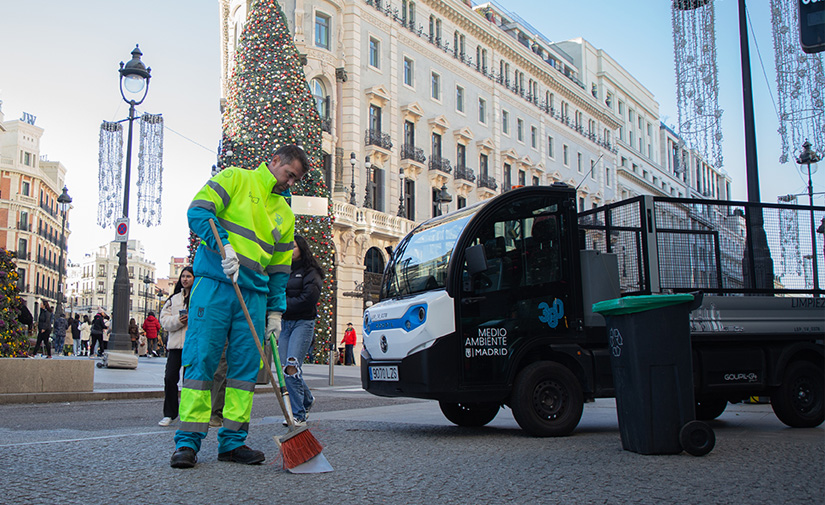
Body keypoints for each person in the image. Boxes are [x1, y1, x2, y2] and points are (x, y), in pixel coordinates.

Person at [170, 144, 309, 469]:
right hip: (216, 285)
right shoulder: (234, 179)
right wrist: (224, 245)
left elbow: (278, 269)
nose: (290, 184)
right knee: (201, 362)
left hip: (255, 296)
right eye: (289, 175)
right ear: (274, 161)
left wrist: (275, 311)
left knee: (245, 372)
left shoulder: (285, 214)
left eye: (295, 180)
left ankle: (232, 441)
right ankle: (187, 443)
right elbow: (198, 211)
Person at [277, 235, 324, 426]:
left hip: (303, 323)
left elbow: (309, 299)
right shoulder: (283, 271)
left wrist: (282, 305)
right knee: (285, 370)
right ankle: (307, 399)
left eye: (294, 247)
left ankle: (298, 415)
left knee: (292, 367)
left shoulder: (312, 272)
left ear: (302, 249)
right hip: (285, 324)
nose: (290, 250)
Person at [158, 266, 194, 427]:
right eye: (183, 276)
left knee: (189, 381)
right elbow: (164, 321)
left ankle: (187, 413)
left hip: (192, 345)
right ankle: (170, 413)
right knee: (169, 378)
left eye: (188, 276)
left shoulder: (199, 297)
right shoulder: (173, 299)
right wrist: (178, 321)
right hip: (174, 346)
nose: (185, 279)